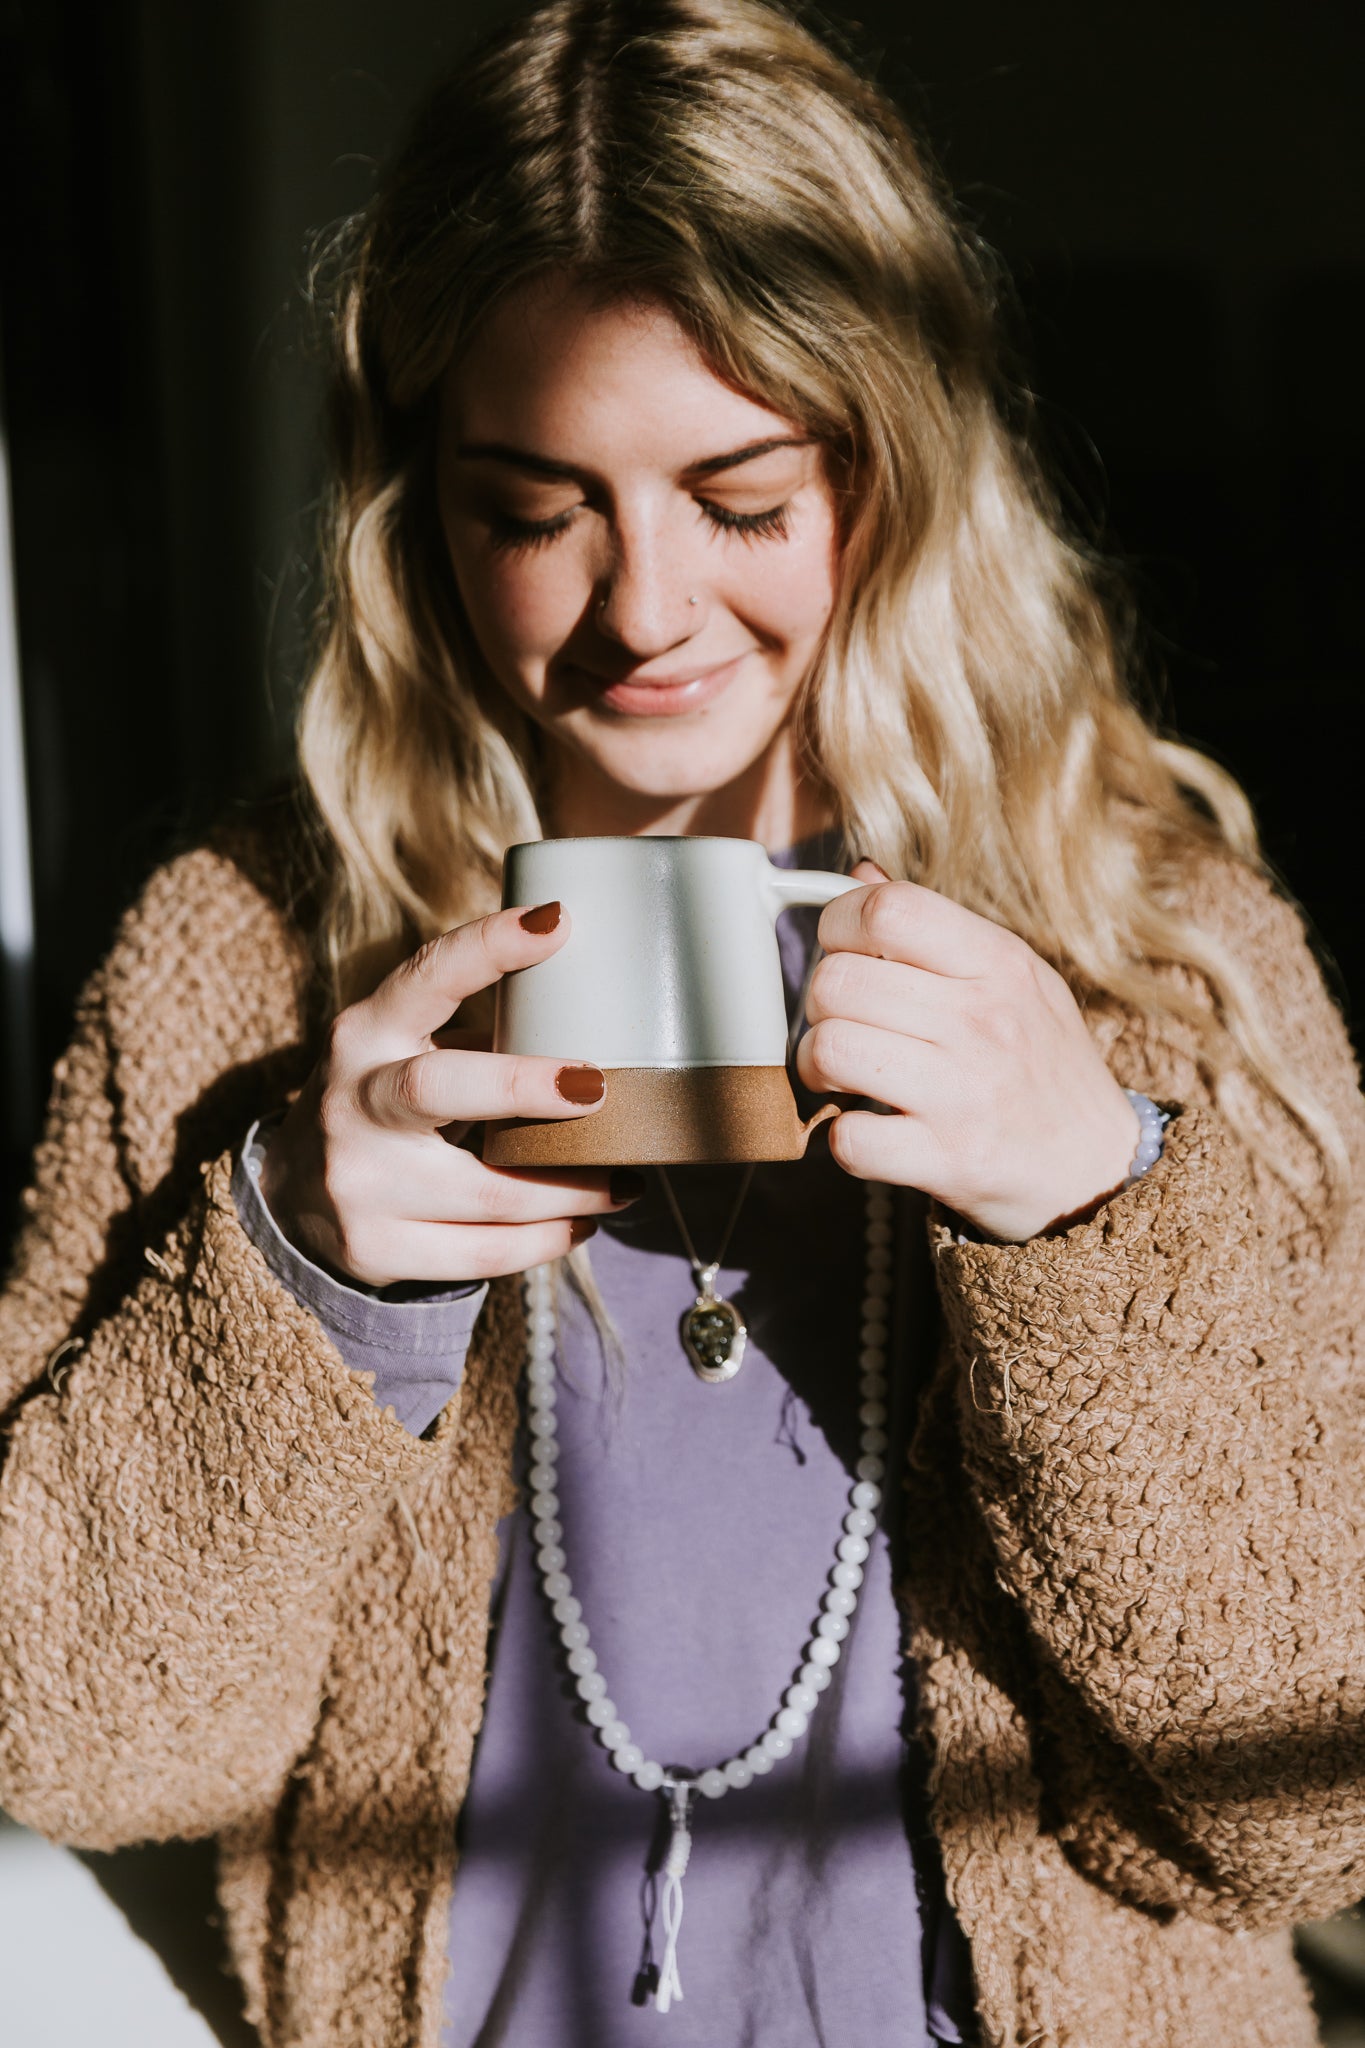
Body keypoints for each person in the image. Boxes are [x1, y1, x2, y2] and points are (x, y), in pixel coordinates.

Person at [2, 1, 1362, 2042]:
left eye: (738, 499)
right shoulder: (240, 973)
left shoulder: (1157, 963)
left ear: (891, 464)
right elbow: (73, 1748)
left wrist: (1094, 1206)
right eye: (532, 509)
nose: (642, 608)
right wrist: (292, 1270)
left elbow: (1296, 1818)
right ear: (411, 516)